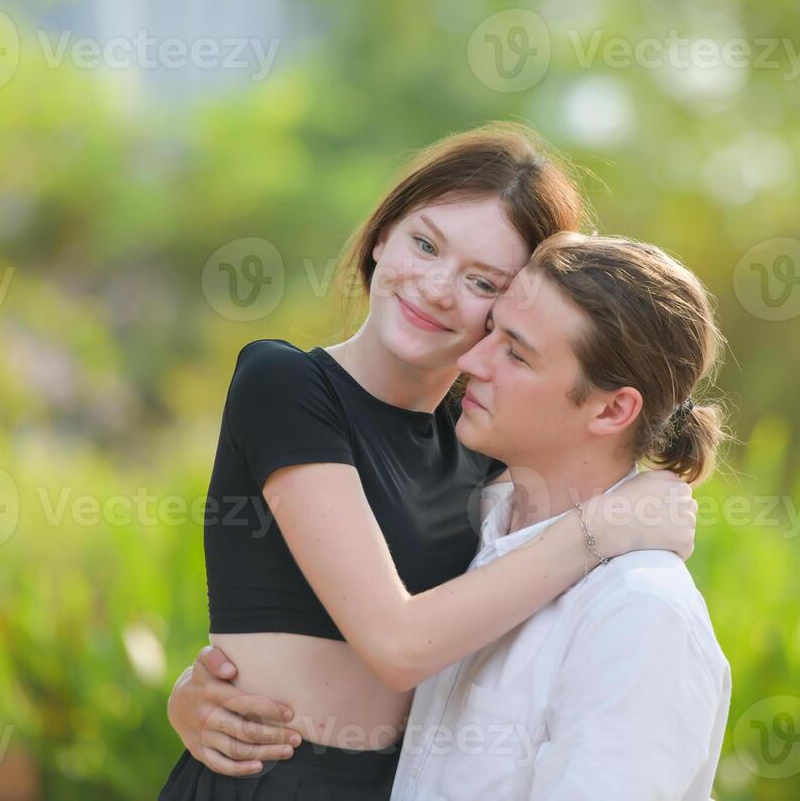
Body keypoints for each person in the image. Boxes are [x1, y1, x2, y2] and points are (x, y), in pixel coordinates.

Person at [158, 126, 699, 801]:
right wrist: (605, 528)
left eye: (481, 281)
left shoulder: (483, 448)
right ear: (382, 235)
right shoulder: (286, 386)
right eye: (424, 243)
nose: (437, 287)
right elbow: (396, 643)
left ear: (512, 306)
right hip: (273, 780)